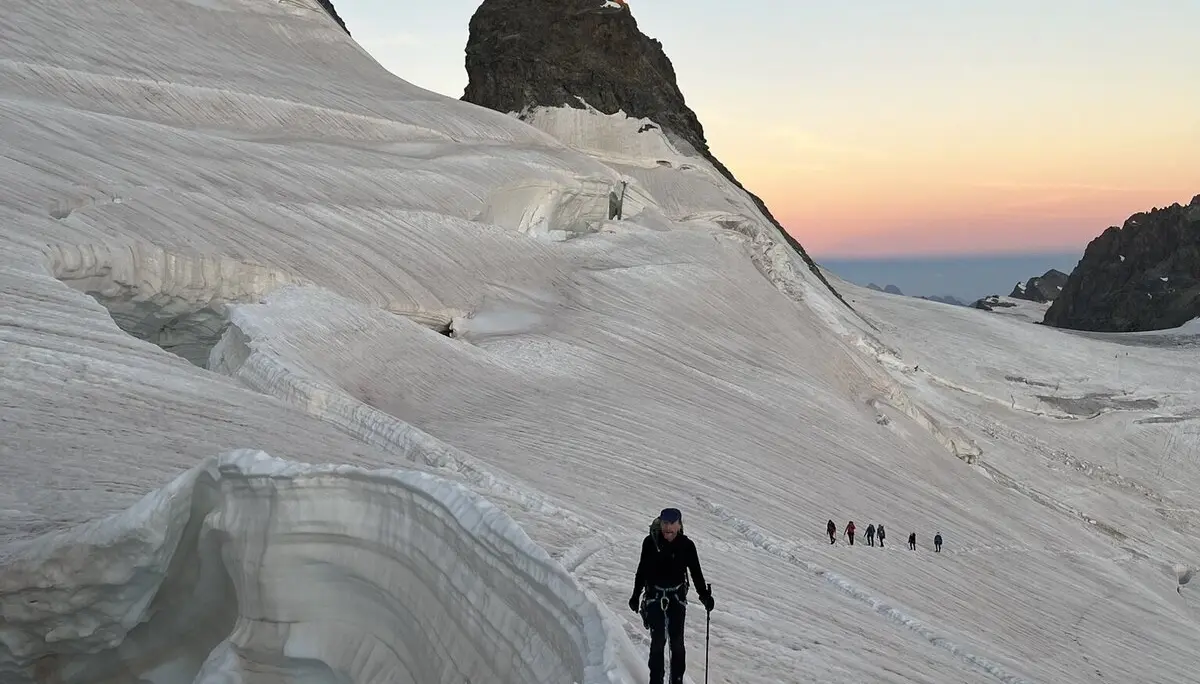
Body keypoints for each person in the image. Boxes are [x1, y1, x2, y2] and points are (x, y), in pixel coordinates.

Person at [629, 507, 714, 684]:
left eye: (672, 524)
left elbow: (696, 573)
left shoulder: (687, 546)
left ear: (679, 525)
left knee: (677, 643)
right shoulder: (650, 543)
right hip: (654, 596)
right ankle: (656, 681)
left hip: (676, 598)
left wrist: (704, 596)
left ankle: (676, 680)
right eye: (665, 523)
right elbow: (642, 571)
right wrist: (636, 595)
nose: (668, 528)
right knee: (658, 641)